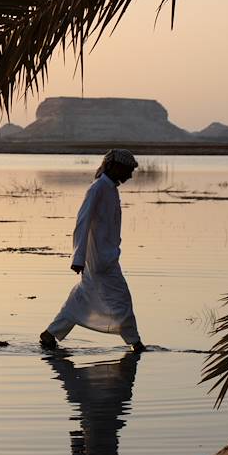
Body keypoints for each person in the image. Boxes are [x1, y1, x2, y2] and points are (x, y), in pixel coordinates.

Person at [40, 149, 146, 353]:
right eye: (127, 170)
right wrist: (78, 257)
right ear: (114, 166)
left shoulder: (111, 189)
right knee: (121, 299)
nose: (130, 176)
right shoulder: (97, 189)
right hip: (99, 259)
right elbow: (83, 222)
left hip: (107, 257)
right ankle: (136, 343)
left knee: (81, 297)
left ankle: (50, 334)